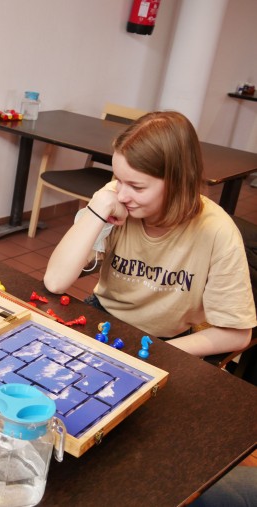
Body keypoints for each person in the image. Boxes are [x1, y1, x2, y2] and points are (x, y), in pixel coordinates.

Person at [44, 111, 256, 357]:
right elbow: (55, 282)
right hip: (103, 316)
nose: (121, 194)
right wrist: (97, 208)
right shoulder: (113, 198)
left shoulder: (217, 231)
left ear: (179, 183)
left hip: (168, 341)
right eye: (119, 180)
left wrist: (153, 354)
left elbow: (238, 334)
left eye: (136, 186)